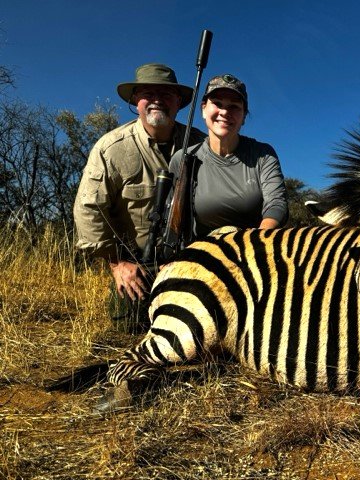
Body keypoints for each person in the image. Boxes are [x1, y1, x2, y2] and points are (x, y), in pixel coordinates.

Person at [73, 63, 206, 332]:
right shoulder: (110, 148)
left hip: (195, 262)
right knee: (129, 328)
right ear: (136, 100)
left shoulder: (201, 145)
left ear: (179, 102)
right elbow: (88, 210)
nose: (157, 99)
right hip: (138, 266)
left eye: (167, 94)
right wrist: (117, 263)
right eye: (148, 92)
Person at [169, 73, 288, 238]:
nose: (224, 112)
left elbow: (276, 204)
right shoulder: (183, 159)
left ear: (244, 116)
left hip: (254, 250)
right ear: (203, 109)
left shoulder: (263, 154)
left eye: (234, 106)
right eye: (217, 104)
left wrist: (256, 241)